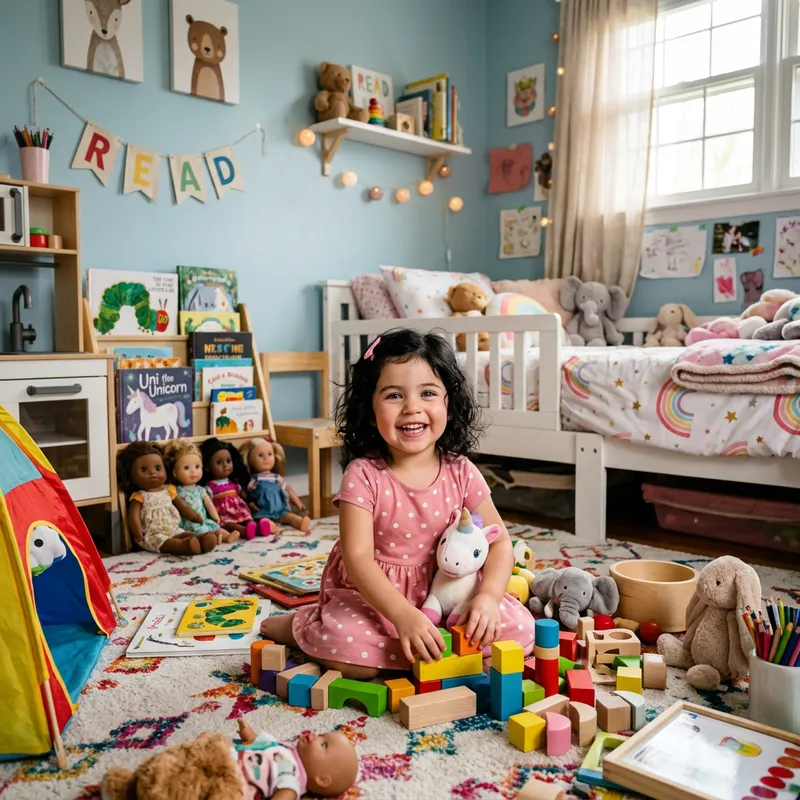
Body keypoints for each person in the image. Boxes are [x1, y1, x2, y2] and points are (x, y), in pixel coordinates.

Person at [261, 328, 535, 679]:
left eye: (428, 393)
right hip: (379, 597)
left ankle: (439, 648)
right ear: (369, 408)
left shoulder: (461, 471)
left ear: (447, 404)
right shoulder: (363, 475)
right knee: (345, 649)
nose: (412, 408)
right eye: (393, 395)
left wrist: (488, 600)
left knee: (517, 633)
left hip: (450, 592)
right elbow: (357, 558)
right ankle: (301, 624)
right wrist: (404, 616)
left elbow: (500, 544)